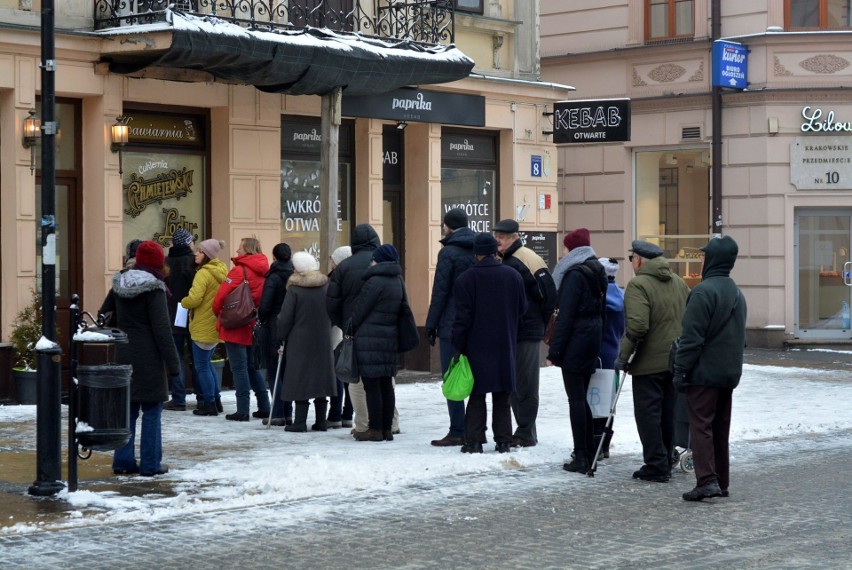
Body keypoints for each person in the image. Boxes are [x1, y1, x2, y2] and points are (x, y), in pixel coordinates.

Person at [673, 235, 747, 501]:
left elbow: (691, 338)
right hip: (728, 373)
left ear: (713, 259)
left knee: (701, 426)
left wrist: (681, 370)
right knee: (719, 428)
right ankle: (721, 481)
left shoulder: (703, 292)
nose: (702, 260)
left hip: (704, 373)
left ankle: (706, 481)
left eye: (705, 256)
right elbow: (742, 338)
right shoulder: (737, 292)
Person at [614, 240, 690, 483]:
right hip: (674, 359)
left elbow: (637, 325)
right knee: (668, 412)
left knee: (648, 414)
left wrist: (624, 356)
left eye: (631, 258)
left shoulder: (639, 284)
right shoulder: (678, 282)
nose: (632, 263)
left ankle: (656, 464)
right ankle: (666, 457)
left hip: (649, 362)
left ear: (639, 260)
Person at [109, 241, 181, 477]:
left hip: (124, 354)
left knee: (128, 410)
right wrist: (174, 365)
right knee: (151, 411)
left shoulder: (120, 283)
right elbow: (162, 330)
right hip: (149, 357)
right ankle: (150, 464)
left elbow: (105, 315)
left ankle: (123, 461)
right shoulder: (154, 289)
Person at [452, 233, 527, 454]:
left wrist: (458, 345)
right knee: (502, 394)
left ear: (476, 253)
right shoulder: (512, 276)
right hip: (505, 342)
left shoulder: (466, 279)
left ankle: (474, 441)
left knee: (476, 394)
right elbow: (522, 309)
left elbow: (461, 318)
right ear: (495, 251)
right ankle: (503, 440)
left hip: (476, 344)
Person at [327, 224, 399, 436]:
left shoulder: (344, 267)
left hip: (357, 332)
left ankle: (367, 425)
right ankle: (390, 424)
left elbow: (332, 303)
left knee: (360, 383)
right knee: (387, 382)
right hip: (387, 333)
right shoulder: (390, 268)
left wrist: (345, 326)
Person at [546, 228, 607, 473]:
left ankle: (582, 455)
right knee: (582, 397)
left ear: (572, 249)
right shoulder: (597, 270)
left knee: (576, 399)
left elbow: (566, 316)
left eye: (565, 247)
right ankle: (590, 449)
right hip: (591, 337)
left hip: (576, 340)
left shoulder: (574, 274)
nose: (563, 252)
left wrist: (555, 352)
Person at [493, 218, 557, 448]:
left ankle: (526, 432)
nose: (498, 239)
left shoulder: (527, 258)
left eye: (502, 236)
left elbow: (549, 295)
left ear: (514, 237)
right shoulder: (503, 259)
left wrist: (537, 321)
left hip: (527, 331)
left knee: (527, 384)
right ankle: (523, 430)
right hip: (513, 331)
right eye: (496, 235)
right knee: (515, 384)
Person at [425, 208, 476, 447]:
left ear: (448, 227)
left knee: (452, 376)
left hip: (451, 325)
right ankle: (476, 428)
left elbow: (440, 292)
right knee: (475, 377)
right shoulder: (479, 248)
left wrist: (431, 324)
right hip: (477, 324)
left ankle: (457, 429)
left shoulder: (449, 253)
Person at [349, 244, 408, 442]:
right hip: (389, 338)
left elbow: (360, 310)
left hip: (369, 339)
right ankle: (387, 429)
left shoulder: (374, 281)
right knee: (386, 385)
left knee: (372, 386)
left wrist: (350, 328)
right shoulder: (398, 280)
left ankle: (374, 429)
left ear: (379, 260)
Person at [276, 252, 337, 432]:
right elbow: (334, 310)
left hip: (299, 341)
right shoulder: (326, 286)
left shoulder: (294, 289)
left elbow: (285, 318)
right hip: (323, 339)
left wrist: (281, 335)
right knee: (321, 377)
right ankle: (321, 422)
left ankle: (300, 422)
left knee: (299, 377)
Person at [212, 237, 271, 422]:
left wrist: (218, 313)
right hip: (253, 323)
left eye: (239, 248)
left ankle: (242, 410)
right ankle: (264, 406)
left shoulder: (239, 271)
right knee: (252, 368)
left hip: (235, 324)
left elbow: (221, 296)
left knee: (239, 368)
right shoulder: (265, 271)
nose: (236, 251)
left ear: (247, 250)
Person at [182, 239, 228, 417]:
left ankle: (209, 404)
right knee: (207, 363)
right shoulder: (222, 270)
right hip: (215, 323)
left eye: (200, 251)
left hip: (202, 324)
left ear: (207, 255)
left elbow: (194, 299)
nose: (196, 254)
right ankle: (216, 400)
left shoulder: (203, 273)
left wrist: (183, 302)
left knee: (201, 365)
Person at [257, 242, 295, 426]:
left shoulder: (273, 276)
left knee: (274, 371)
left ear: (274, 256)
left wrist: (262, 318)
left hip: (274, 325)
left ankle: (278, 412)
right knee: (287, 371)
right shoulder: (295, 274)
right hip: (291, 326)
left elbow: (265, 305)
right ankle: (288, 413)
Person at [164, 227, 199, 412]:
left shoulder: (167, 262)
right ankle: (203, 397)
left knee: (176, 356)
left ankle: (178, 398)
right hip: (191, 313)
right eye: (191, 241)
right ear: (187, 242)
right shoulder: (192, 262)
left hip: (172, 313)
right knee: (197, 358)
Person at [594, 257, 625, 459]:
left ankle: (596, 442)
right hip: (613, 352)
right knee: (609, 404)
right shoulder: (621, 296)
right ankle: (605, 445)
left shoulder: (599, 298)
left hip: (598, 354)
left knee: (594, 400)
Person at [326, 246, 354, 429]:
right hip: (350, 330)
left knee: (337, 372)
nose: (332, 263)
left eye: (334, 259)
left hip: (336, 330)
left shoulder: (335, 279)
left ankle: (335, 414)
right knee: (349, 372)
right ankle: (347, 414)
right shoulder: (356, 277)